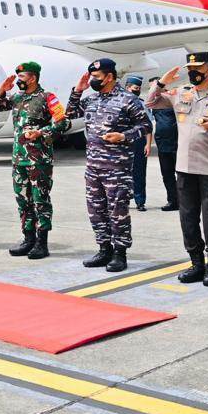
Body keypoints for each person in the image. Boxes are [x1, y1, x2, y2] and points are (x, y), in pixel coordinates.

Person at [148, 52, 208, 287]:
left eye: (198, 68)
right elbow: (150, 102)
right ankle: (196, 263)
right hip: (184, 167)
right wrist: (161, 83)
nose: (193, 72)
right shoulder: (181, 93)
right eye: (190, 68)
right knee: (187, 217)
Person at [67, 60, 152, 272]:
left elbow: (145, 125)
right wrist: (78, 90)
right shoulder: (92, 99)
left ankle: (120, 253)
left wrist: (124, 136)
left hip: (117, 167)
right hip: (93, 167)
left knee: (118, 210)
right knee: (96, 210)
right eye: (91, 76)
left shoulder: (128, 100)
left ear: (110, 77)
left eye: (97, 77)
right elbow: (69, 114)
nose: (93, 80)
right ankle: (104, 248)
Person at [0, 61, 68, 260]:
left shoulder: (47, 97)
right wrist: (1, 91)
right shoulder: (17, 98)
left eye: (22, 77)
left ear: (33, 78)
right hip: (19, 159)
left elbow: (63, 122)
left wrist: (41, 132)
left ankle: (42, 243)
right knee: (23, 200)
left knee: (40, 200)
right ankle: (28, 239)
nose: (18, 81)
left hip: (39, 159)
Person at [146, 77, 180, 211]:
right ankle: (172, 201)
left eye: (154, 87)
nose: (152, 90)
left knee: (182, 175)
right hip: (162, 143)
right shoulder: (154, 102)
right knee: (167, 174)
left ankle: (186, 201)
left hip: (177, 142)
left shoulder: (172, 98)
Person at [124, 75, 152, 211]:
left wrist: (148, 144)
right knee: (123, 173)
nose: (137, 91)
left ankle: (140, 201)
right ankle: (124, 200)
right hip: (123, 141)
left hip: (139, 141)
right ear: (127, 88)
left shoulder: (141, 103)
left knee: (139, 172)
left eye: (139, 89)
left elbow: (148, 126)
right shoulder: (118, 102)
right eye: (135, 88)